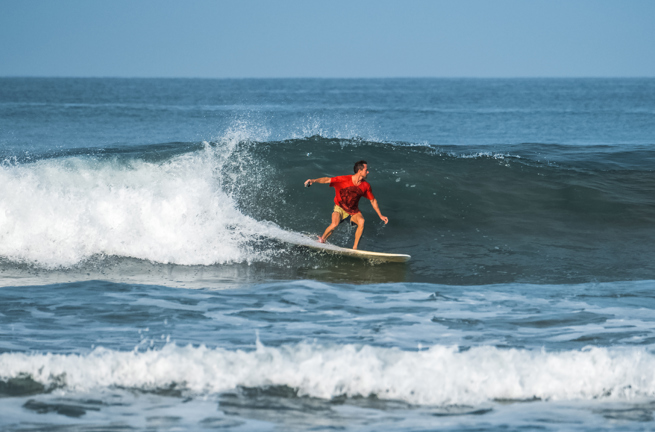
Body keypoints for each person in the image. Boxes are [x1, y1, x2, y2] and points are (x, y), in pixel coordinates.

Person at [304, 160, 388, 250]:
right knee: (334, 224)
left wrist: (380, 215)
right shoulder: (344, 179)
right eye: (366, 170)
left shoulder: (366, 186)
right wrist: (313, 180)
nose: (368, 172)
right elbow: (328, 179)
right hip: (339, 208)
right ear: (359, 171)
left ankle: (355, 248)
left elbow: (373, 200)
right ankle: (322, 239)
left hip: (353, 211)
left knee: (361, 221)